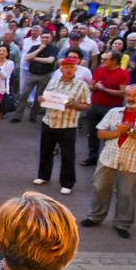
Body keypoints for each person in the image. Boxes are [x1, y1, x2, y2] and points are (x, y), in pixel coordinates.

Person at [81, 84, 136, 239]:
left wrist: (130, 131)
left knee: (127, 194)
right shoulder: (114, 112)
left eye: (135, 95)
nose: (131, 99)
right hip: (108, 158)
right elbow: (101, 133)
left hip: (132, 162)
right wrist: (117, 132)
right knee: (100, 188)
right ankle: (95, 217)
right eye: (128, 95)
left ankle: (122, 224)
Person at [33, 57, 91, 195]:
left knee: (67, 155)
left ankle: (67, 183)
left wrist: (73, 104)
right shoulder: (53, 81)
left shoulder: (82, 85)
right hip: (49, 121)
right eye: (66, 67)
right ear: (61, 69)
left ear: (76, 69)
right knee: (46, 151)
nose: (69, 70)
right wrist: (42, 99)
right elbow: (46, 97)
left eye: (72, 67)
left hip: (67, 125)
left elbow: (87, 105)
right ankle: (43, 176)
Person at [83, 51, 131, 167]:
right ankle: (92, 157)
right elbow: (90, 86)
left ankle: (107, 159)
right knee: (92, 132)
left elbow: (123, 92)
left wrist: (105, 90)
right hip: (95, 105)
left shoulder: (123, 74)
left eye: (105, 59)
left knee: (108, 134)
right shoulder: (100, 70)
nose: (102, 61)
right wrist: (95, 86)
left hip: (111, 108)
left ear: (114, 61)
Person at [11, 30, 58, 123]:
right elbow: (28, 58)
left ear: (51, 38)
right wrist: (39, 49)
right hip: (32, 74)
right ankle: (18, 116)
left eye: (47, 37)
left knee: (38, 97)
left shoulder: (53, 49)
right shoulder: (35, 47)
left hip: (45, 75)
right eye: (43, 37)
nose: (45, 39)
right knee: (23, 94)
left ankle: (33, 116)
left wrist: (35, 58)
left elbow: (50, 60)